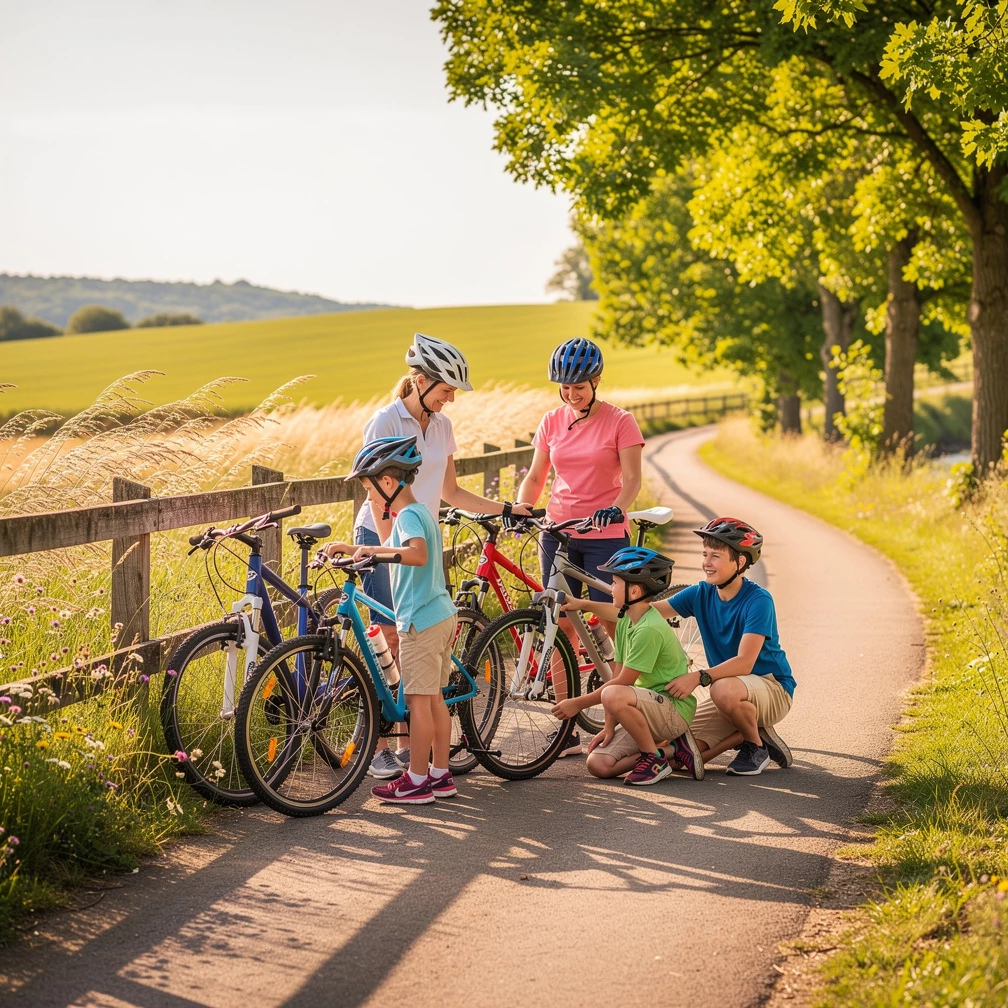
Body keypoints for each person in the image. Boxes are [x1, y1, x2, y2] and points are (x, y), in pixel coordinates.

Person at [346, 333, 531, 779]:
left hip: (420, 545)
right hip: (388, 540)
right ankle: (384, 746)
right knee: (388, 643)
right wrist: (392, 551)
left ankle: (416, 751)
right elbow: (375, 493)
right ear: (421, 380)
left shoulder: (442, 426)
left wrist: (505, 508)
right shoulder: (385, 420)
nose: (451, 399)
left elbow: (450, 491)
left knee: (420, 646)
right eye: (446, 389)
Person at [515, 337, 645, 756]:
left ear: (597, 381)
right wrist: (522, 505)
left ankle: (628, 713)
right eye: (565, 388)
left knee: (612, 621)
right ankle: (566, 726)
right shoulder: (551, 421)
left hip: (605, 536)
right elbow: (536, 476)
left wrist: (616, 509)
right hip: (558, 533)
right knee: (561, 626)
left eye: (580, 387)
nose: (572, 395)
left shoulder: (621, 421)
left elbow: (631, 482)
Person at [327, 435, 460, 804]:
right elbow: (395, 548)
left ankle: (416, 780)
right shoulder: (417, 514)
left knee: (418, 702)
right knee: (434, 700)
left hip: (420, 621)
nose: (369, 499)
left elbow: (415, 555)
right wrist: (357, 549)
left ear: (388, 484)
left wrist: (371, 548)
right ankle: (440, 774)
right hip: (439, 616)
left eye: (369, 491)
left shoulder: (411, 517)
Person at [653, 517, 795, 777]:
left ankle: (755, 746)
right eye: (705, 554)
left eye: (716, 556)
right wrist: (586, 604)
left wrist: (697, 677)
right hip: (731, 692)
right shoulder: (700, 593)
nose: (706, 562)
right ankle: (747, 732)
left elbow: (745, 663)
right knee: (677, 757)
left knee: (722, 689)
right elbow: (650, 612)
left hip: (772, 688)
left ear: (740, 562)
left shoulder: (758, 600)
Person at [553, 547, 704, 785]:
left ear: (633, 590)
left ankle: (653, 759)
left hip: (673, 711)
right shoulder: (626, 620)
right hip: (647, 711)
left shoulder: (648, 629)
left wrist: (577, 704)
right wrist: (609, 727)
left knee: (614, 693)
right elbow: (616, 674)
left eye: (614, 582)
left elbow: (621, 686)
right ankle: (672, 751)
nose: (610, 588)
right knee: (597, 764)